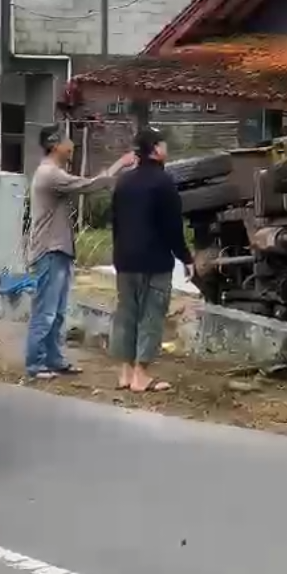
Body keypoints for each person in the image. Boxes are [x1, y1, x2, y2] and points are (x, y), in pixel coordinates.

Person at [25, 125, 133, 381]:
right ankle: (35, 363)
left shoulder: (54, 173)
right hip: (49, 251)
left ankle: (53, 360)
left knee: (59, 311)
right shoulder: (50, 174)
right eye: (67, 141)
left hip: (59, 250)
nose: (72, 145)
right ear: (55, 145)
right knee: (46, 311)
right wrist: (119, 164)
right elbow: (90, 185)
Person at [110, 127, 193, 394]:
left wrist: (119, 254)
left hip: (124, 259)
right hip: (154, 261)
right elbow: (172, 228)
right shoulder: (164, 182)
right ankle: (141, 375)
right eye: (163, 144)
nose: (166, 148)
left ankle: (124, 372)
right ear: (156, 149)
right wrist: (186, 257)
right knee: (151, 316)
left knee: (126, 315)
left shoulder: (123, 182)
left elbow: (116, 224)